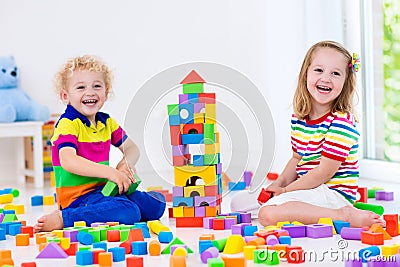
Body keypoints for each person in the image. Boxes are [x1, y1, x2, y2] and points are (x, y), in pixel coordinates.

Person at [231, 40, 382, 228]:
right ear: (306, 74)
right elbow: (296, 159)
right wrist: (277, 186)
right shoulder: (300, 118)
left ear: (345, 82)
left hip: (331, 193)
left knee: (267, 214)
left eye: (335, 73)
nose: (326, 78)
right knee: (238, 203)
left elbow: (324, 172)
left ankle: (343, 215)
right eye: (319, 70)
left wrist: (286, 190)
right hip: (307, 189)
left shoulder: (341, 122)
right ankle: (295, 207)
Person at [34, 55, 166, 232]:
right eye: (80, 87)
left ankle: (113, 207)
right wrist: (110, 172)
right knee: (130, 212)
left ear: (106, 91)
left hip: (104, 191)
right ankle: (65, 218)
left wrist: (124, 165)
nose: (90, 92)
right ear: (66, 95)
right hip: (79, 198)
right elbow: (68, 160)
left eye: (97, 86)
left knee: (157, 205)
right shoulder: (68, 124)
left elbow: (132, 149)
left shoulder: (106, 122)